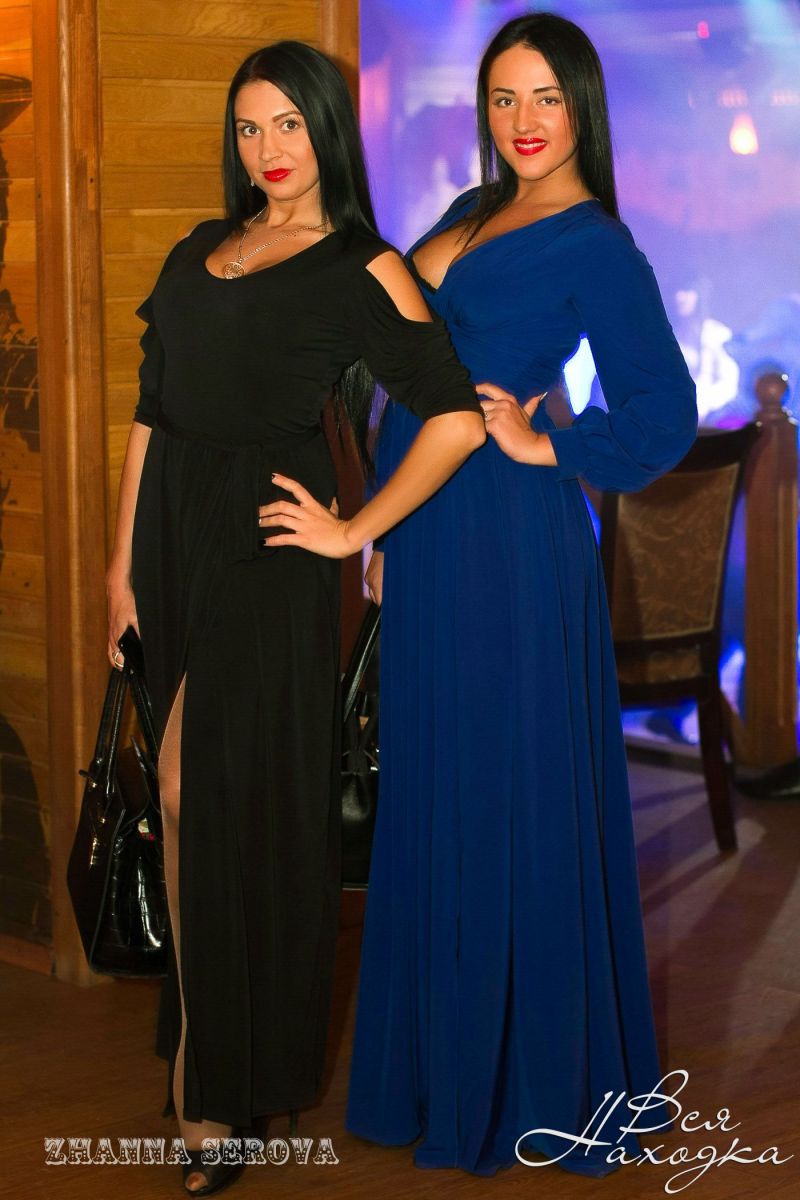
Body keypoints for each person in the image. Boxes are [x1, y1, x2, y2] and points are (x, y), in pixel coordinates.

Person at [274, 12, 698, 1180]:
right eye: (503, 98)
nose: (522, 120)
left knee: (509, 790)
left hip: (511, 546)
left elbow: (661, 411)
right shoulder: (473, 209)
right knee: (434, 789)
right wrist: (383, 521)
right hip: (429, 531)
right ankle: (439, 1069)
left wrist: (548, 446)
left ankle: (531, 1082)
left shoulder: (593, 243)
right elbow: (397, 351)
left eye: (544, 98)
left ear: (581, 108)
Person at [105, 40, 486, 1196]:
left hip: (268, 554)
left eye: (287, 124)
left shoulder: (361, 266)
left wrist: (354, 527)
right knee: (200, 813)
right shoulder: (196, 251)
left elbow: (454, 417)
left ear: (326, 130)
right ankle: (220, 1054)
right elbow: (150, 412)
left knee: (192, 791)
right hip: (170, 543)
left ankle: (210, 1089)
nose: (267, 149)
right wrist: (119, 568)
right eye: (247, 127)